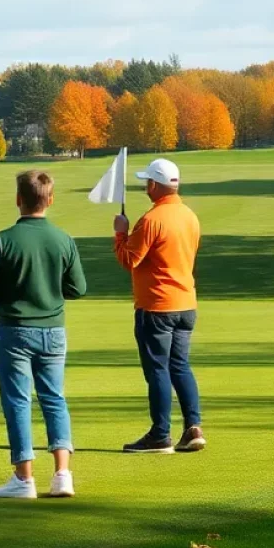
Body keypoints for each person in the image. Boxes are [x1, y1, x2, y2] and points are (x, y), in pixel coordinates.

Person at [0, 170, 87, 498]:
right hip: (53, 330)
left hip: (15, 331)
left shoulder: (4, 240)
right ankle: (62, 474)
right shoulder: (63, 239)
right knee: (54, 398)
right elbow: (78, 288)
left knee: (18, 402)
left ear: (18, 199)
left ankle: (24, 479)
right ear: (50, 199)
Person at [113, 157, 205, 454]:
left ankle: (160, 435)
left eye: (146, 183)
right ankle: (193, 427)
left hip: (156, 305)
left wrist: (120, 233)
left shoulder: (152, 220)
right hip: (186, 303)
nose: (145, 187)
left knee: (158, 370)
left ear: (154, 184)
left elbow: (129, 259)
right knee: (180, 366)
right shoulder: (189, 215)